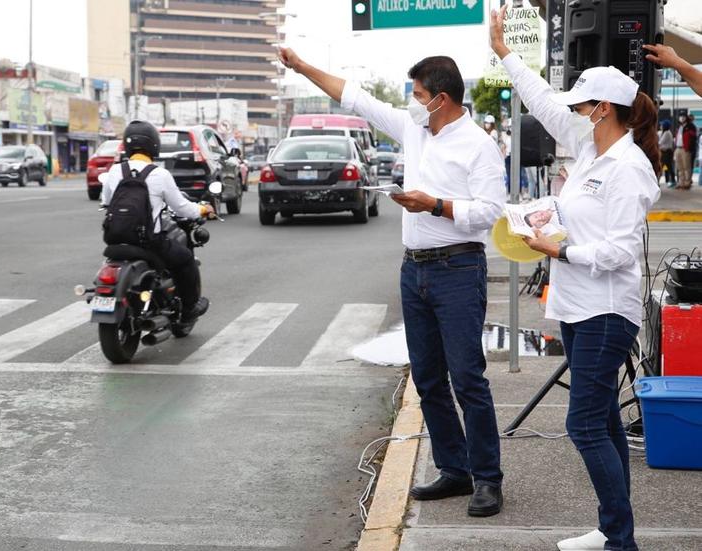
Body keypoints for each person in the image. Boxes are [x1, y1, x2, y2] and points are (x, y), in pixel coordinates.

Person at [278, 45, 507, 517]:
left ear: (440, 99)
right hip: (415, 269)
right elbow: (354, 97)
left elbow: (489, 213)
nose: (413, 102)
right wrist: (301, 66)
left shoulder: (480, 145)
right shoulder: (415, 128)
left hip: (459, 270)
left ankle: (487, 479)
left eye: (419, 94)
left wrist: (436, 205)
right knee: (427, 377)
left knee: (467, 378)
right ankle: (454, 469)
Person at [491, 6, 660, 551]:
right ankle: (615, 531)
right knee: (605, 423)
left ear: (602, 109)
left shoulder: (628, 167)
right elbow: (541, 101)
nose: (574, 112)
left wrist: (559, 249)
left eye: (582, 105)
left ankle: (621, 541)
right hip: (578, 307)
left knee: (584, 426)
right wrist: (506, 55)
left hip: (607, 311)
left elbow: (617, 251)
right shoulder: (591, 149)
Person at [101, 120, 213, 323]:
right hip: (149, 242)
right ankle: (189, 308)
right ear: (154, 145)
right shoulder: (160, 174)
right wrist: (203, 209)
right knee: (186, 260)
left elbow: (106, 202)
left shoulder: (115, 171)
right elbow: (182, 208)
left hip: (115, 239)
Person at [673, 113, 697, 189]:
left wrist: (689, 148)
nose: (682, 118)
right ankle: (681, 182)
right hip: (678, 148)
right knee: (680, 167)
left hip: (685, 149)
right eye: (681, 116)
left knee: (686, 167)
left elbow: (693, 137)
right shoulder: (679, 127)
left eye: (683, 116)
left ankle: (687, 183)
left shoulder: (690, 126)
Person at [658, 120, 676, 187]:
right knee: (667, 167)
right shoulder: (663, 132)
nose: (660, 126)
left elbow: (660, 142)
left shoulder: (667, 133)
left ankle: (659, 181)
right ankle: (670, 180)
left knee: (664, 166)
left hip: (667, 152)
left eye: (662, 125)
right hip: (664, 152)